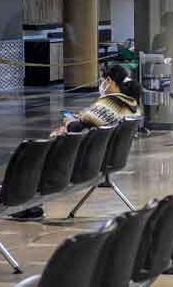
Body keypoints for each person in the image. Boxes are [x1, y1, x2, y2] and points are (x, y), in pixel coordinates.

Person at [12, 65, 142, 221]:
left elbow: (80, 124)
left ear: (110, 81)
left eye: (102, 80)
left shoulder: (111, 102)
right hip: (109, 159)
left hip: (88, 163)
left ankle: (26, 204)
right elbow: (92, 121)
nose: (102, 84)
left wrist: (68, 124)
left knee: (35, 154)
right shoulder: (133, 106)